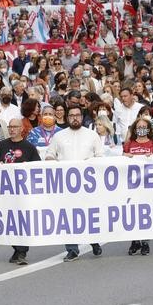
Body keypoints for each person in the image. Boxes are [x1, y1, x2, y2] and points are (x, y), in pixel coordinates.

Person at [46, 105, 104, 262]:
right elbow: (50, 155)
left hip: (88, 184)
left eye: (77, 115)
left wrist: (90, 162)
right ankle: (72, 249)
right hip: (66, 184)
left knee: (89, 215)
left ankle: (94, 241)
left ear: (82, 117)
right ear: (66, 117)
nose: (75, 118)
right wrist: (51, 161)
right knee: (68, 217)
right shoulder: (59, 136)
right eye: (71, 115)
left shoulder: (92, 135)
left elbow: (100, 156)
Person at [0, 119, 41, 265]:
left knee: (22, 221)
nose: (12, 129)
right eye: (10, 127)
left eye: (15, 127)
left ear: (21, 129)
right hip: (6, 190)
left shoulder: (29, 147)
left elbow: (37, 167)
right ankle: (17, 250)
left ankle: (21, 252)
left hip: (23, 191)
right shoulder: (3, 145)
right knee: (9, 222)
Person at [122, 117, 153, 256]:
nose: (141, 130)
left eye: (143, 127)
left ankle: (145, 242)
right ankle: (135, 241)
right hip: (132, 185)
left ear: (149, 129)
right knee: (133, 213)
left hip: (148, 185)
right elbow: (121, 160)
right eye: (138, 127)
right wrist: (125, 155)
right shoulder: (129, 144)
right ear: (134, 129)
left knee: (146, 213)